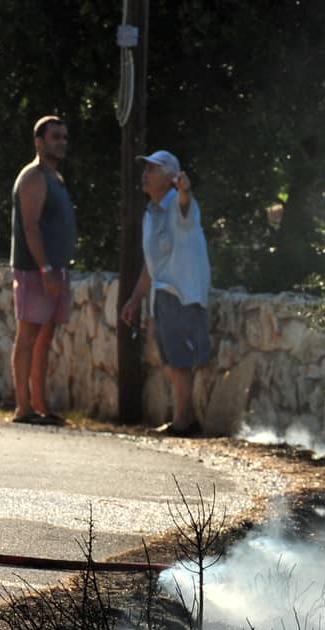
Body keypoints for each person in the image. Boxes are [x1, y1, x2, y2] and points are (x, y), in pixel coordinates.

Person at [119, 149, 211, 437]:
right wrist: (135, 298)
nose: (145, 174)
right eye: (145, 169)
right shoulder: (151, 211)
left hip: (181, 293)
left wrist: (186, 191)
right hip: (164, 293)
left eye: (153, 169)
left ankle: (184, 421)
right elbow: (151, 264)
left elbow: (186, 206)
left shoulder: (177, 204)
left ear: (171, 177)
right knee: (172, 361)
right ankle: (183, 418)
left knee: (180, 361)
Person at [9, 115, 77, 425]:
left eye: (64, 136)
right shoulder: (33, 177)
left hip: (55, 270)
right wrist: (46, 267)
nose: (61, 142)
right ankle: (23, 409)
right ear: (39, 142)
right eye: (55, 137)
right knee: (28, 336)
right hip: (35, 271)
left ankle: (41, 407)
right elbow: (30, 226)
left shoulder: (56, 178)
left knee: (45, 338)